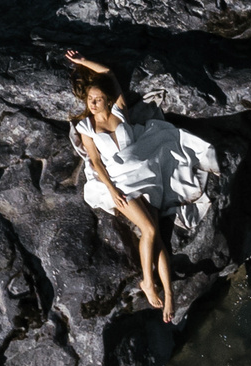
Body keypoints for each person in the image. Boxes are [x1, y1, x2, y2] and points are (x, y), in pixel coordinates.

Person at [64, 49, 218, 324]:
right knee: (149, 229)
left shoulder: (119, 110)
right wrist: (112, 190)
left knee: (156, 237)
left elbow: (108, 73)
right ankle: (148, 282)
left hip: (147, 175)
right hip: (121, 183)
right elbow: (96, 162)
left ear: (107, 98)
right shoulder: (86, 127)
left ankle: (168, 293)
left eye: (98, 98)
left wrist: (83, 61)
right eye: (90, 100)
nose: (94, 103)